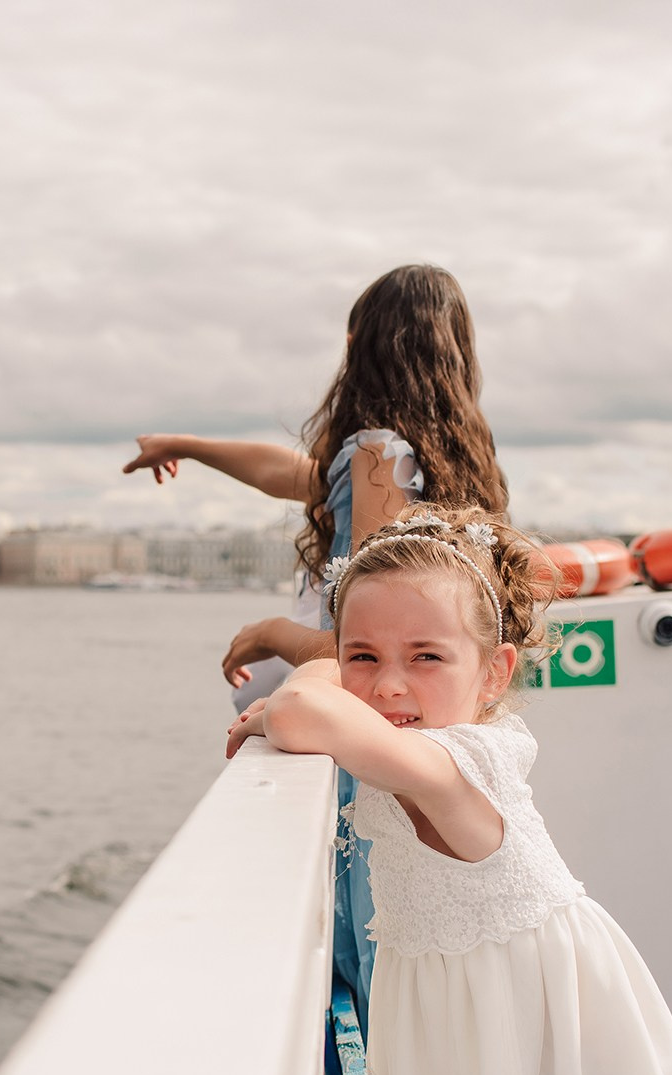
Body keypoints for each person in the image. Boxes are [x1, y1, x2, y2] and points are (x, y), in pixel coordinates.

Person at [227, 507, 672, 1075]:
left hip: (529, 1025)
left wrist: (287, 696)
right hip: (462, 1014)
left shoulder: (461, 760)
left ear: (495, 673)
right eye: (362, 654)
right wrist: (319, 680)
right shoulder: (413, 740)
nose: (389, 684)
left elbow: (306, 710)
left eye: (426, 656)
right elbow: (326, 703)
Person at [125, 264, 509, 1023]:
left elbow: (365, 634)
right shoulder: (420, 455)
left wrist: (273, 635)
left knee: (367, 931)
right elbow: (291, 474)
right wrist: (190, 445)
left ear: (366, 344)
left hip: (360, 733)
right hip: (403, 728)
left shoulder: (378, 452)